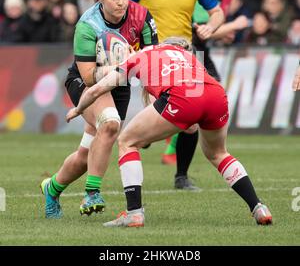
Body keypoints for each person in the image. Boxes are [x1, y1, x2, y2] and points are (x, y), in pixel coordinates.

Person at [66, 36, 273, 228]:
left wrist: (78, 108)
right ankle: (258, 207)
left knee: (127, 141)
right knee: (219, 154)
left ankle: (134, 213)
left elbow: (95, 90)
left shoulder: (139, 56)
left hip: (182, 97)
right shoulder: (187, 56)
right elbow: (190, 123)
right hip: (216, 94)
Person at [40, 0, 158, 218]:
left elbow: (152, 64)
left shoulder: (142, 17)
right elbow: (88, 75)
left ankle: (52, 188)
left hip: (120, 83)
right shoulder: (87, 25)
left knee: (87, 155)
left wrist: (155, 103)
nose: (121, 3)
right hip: (86, 82)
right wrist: (121, 65)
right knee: (111, 123)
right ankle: (92, 192)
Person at [129, 0, 225, 190]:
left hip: (187, 55)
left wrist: (210, 26)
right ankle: (144, 134)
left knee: (192, 122)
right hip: (153, 55)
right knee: (161, 116)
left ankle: (181, 176)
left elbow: (217, 11)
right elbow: (126, 12)